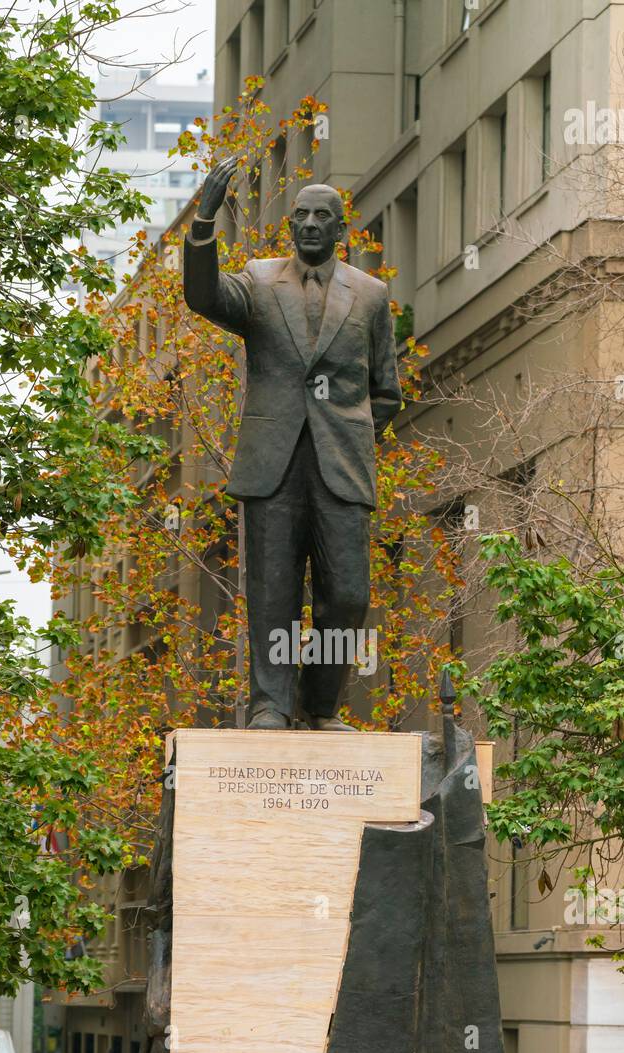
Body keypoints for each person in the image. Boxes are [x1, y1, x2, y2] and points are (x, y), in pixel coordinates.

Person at [184, 161, 402, 731]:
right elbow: (203, 295)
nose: (308, 223)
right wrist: (205, 217)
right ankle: (271, 705)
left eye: (321, 216)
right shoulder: (258, 281)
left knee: (349, 595)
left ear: (340, 229)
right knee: (272, 593)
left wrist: (348, 436)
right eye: (300, 214)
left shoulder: (372, 296)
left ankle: (319, 704)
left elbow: (386, 391)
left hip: (340, 466)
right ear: (291, 225)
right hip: (272, 462)